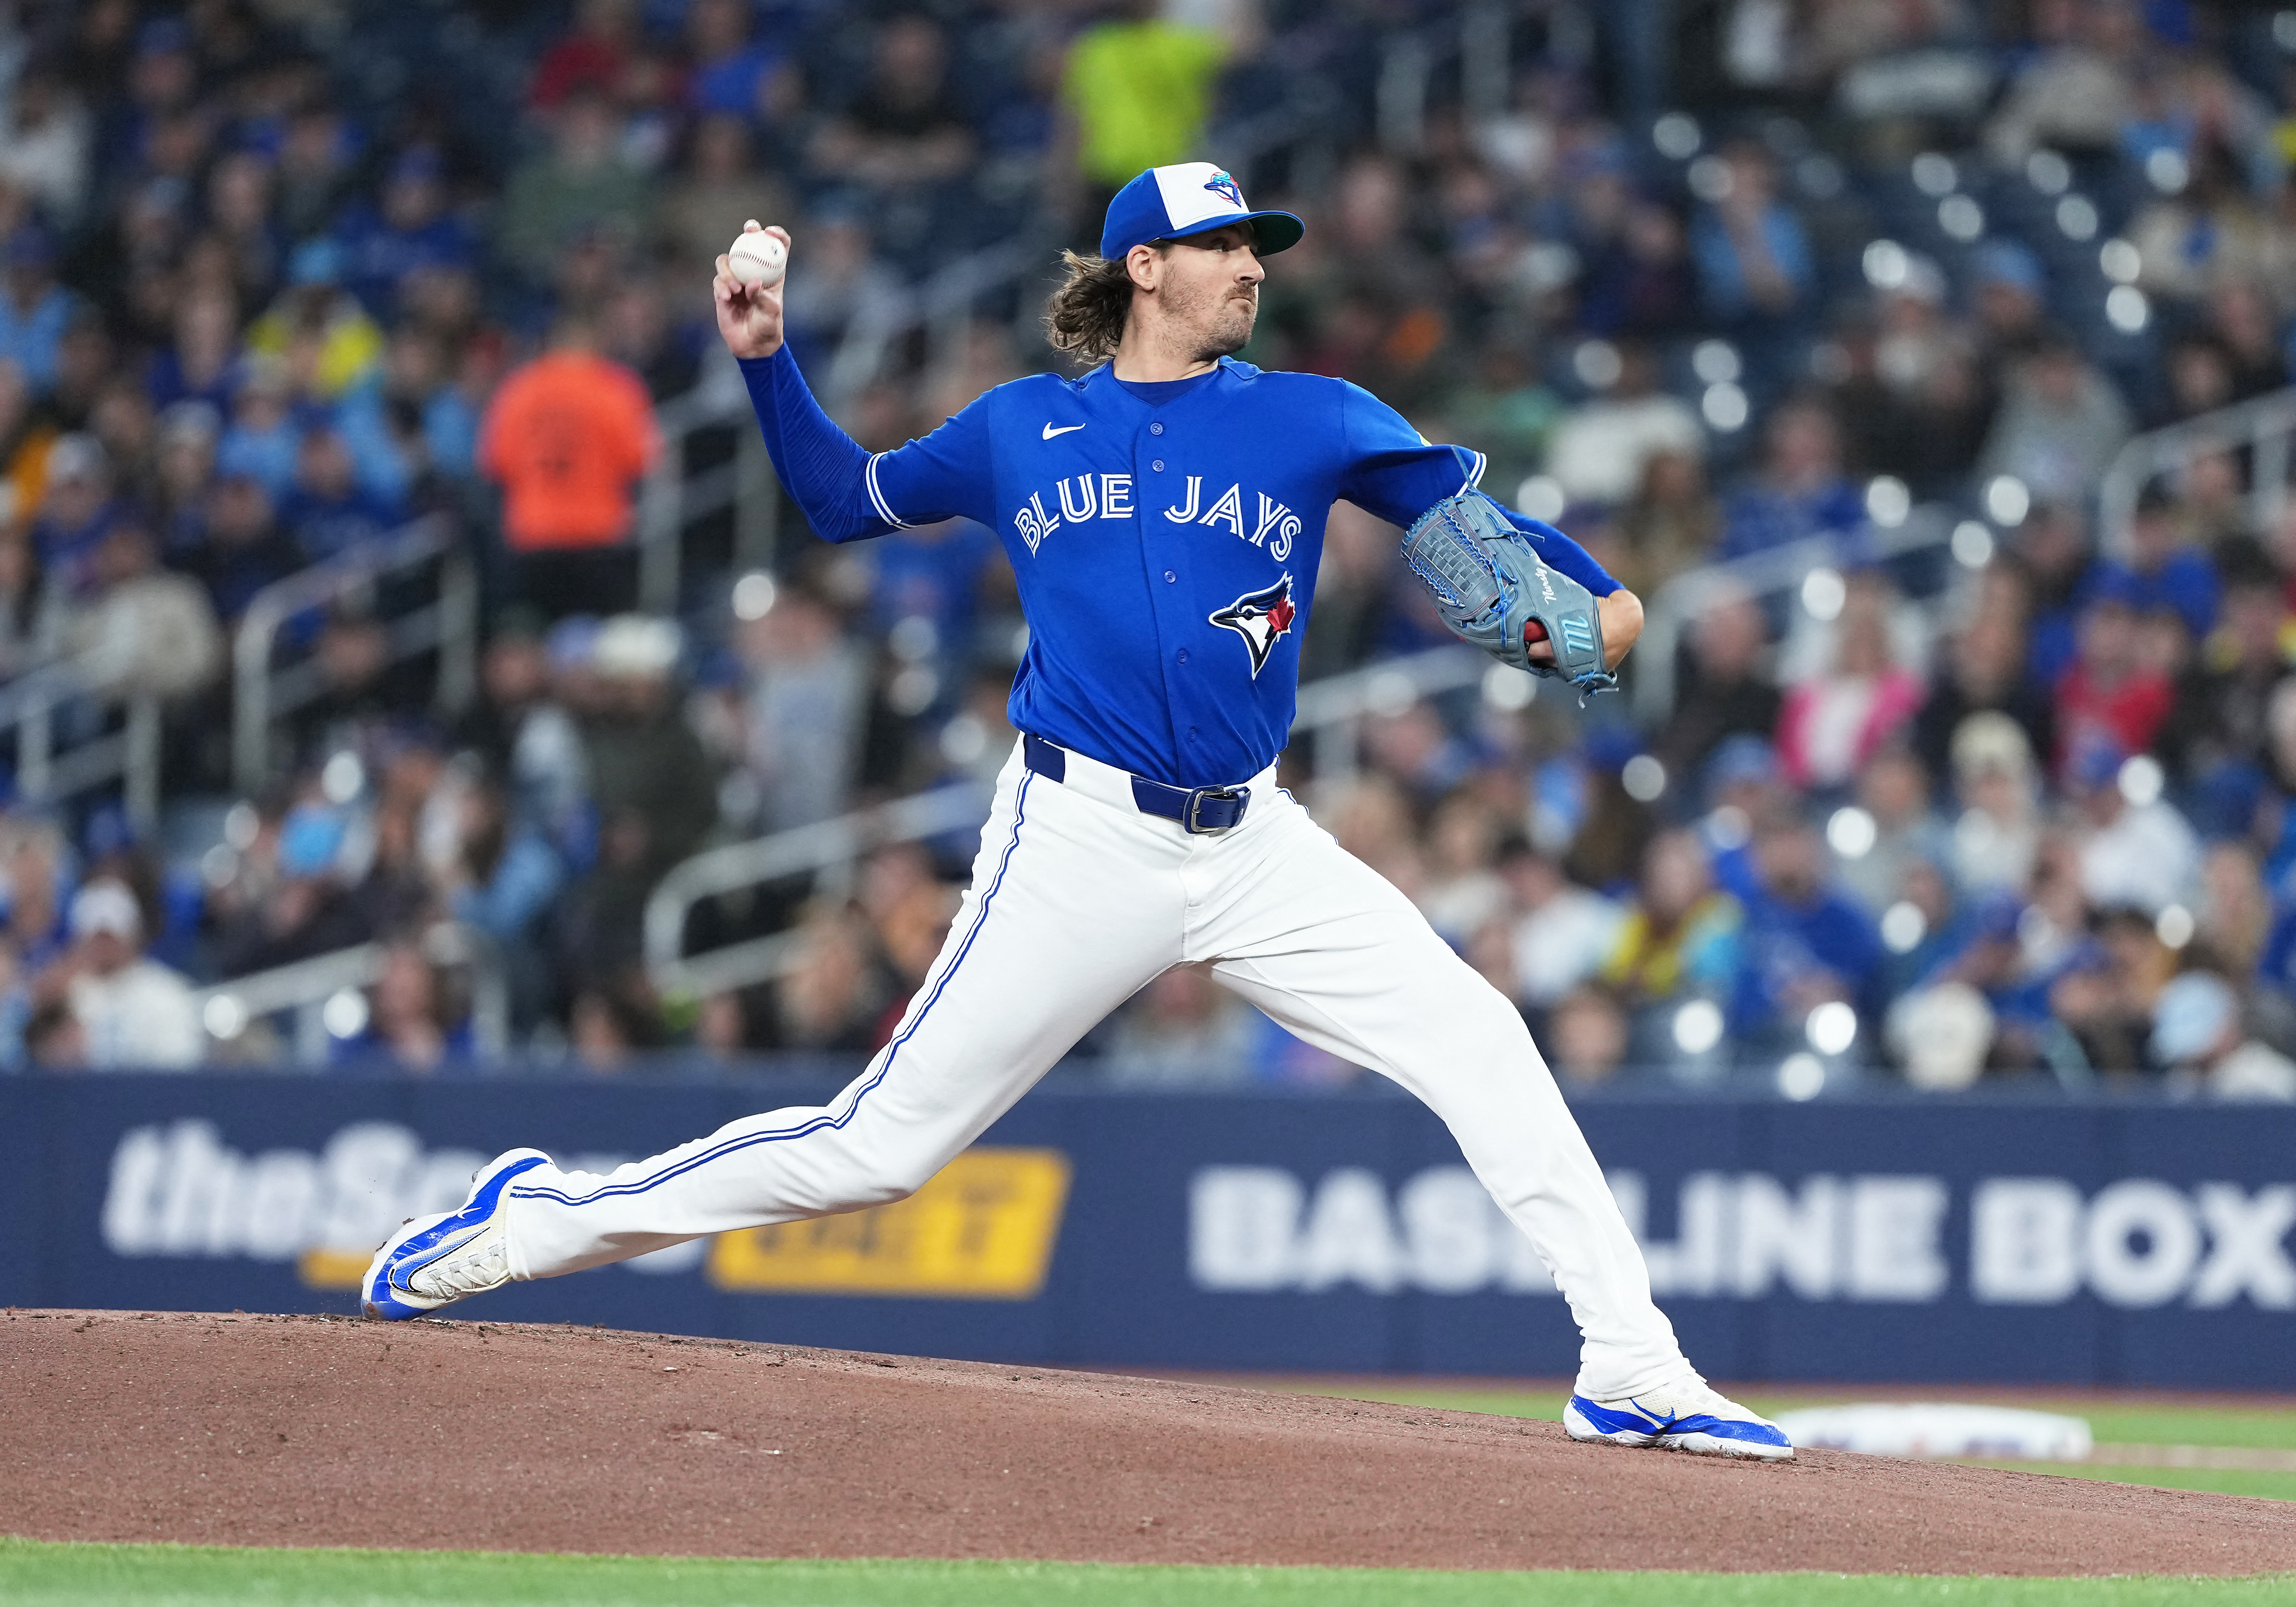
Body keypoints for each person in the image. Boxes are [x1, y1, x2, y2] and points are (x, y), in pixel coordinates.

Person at [362, 165, 1791, 1461]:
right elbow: (840, 500)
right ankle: (539, 1221)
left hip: (1254, 845)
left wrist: (1587, 588)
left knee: (1480, 1038)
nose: (1251, 265)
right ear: (1143, 268)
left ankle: (1633, 1362)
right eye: (1222, 244)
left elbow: (1466, 523)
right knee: (879, 1150)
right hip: (1077, 838)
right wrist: (764, 361)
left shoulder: (1313, 413)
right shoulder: (1020, 429)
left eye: (1258, 246)